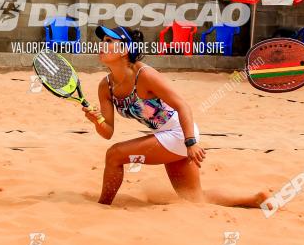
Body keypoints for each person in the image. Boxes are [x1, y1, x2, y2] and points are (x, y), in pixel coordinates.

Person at [83, 25, 266, 208]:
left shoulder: (145, 75)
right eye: (102, 41)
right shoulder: (105, 86)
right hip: (170, 136)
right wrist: (96, 120)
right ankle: (253, 199)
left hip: (181, 134)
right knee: (194, 198)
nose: (102, 45)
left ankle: (102, 206)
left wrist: (190, 142)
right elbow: (107, 132)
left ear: (125, 50)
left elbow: (182, 105)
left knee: (114, 154)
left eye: (109, 41)